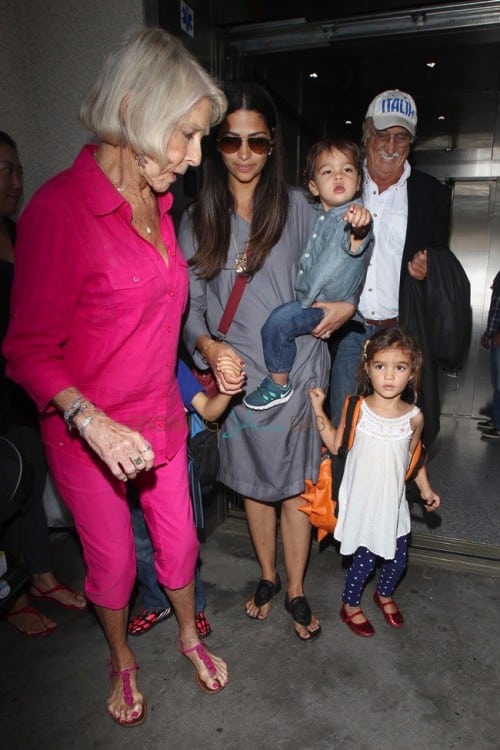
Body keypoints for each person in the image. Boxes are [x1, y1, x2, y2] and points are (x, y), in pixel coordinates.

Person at [3, 29, 228, 726]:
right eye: (185, 137)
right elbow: (27, 348)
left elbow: (159, 318)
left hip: (159, 415)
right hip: (85, 433)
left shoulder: (162, 208)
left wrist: (204, 354)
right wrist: (89, 419)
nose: (194, 160)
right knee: (115, 570)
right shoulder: (58, 211)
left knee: (183, 545)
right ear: (133, 111)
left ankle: (189, 632)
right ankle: (122, 662)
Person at [180, 80, 355, 641]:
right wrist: (210, 348)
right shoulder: (198, 220)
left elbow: (348, 264)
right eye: (232, 142)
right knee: (255, 484)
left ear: (274, 144)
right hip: (242, 381)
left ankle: (298, 589)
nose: (245, 154)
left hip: (299, 373)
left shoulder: (305, 208)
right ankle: (268, 575)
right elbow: (191, 312)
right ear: (215, 145)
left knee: (298, 486)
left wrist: (346, 304)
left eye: (257, 142)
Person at [329, 89, 461, 446]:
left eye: (400, 137)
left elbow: (439, 258)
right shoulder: (342, 183)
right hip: (348, 332)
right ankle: (342, 500)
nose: (390, 145)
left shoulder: (431, 195)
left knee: (397, 437)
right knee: (344, 431)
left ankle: (394, 498)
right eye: (382, 135)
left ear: (411, 143)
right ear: (366, 134)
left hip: (400, 335)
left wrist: (430, 268)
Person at [0, 131, 86, 637]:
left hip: (22, 384)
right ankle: (12, 597)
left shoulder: (18, 229)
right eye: (2, 170)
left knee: (27, 481)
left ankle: (43, 575)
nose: (13, 180)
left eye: (16, 170)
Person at [310, 327, 440, 637]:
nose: (389, 376)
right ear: (367, 368)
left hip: (393, 504)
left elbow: (414, 457)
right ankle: (350, 604)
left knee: (398, 560)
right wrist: (318, 410)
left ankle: (384, 594)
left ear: (412, 373)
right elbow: (335, 442)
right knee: (364, 562)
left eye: (400, 367)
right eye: (381, 366)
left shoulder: (414, 417)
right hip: (365, 503)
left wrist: (425, 488)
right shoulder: (357, 407)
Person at [243, 137, 372, 411]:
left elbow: (360, 235)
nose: (338, 175)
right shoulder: (320, 213)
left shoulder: (351, 216)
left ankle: (278, 383)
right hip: (316, 303)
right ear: (314, 186)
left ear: (359, 181)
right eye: (328, 171)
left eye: (347, 170)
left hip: (323, 306)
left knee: (278, 323)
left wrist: (361, 224)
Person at [128, 355, 242, 638]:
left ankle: (194, 608)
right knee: (139, 542)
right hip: (123, 470)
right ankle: (157, 602)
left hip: (168, 468)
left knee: (181, 545)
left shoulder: (169, 360)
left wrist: (228, 389)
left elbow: (209, 411)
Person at [479, 271, 500, 440]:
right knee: (497, 382)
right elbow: (496, 308)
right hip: (495, 336)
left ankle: (499, 425)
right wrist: (489, 332)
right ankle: (496, 420)